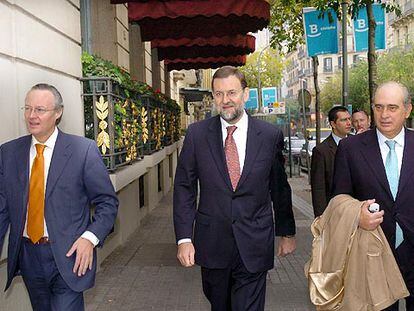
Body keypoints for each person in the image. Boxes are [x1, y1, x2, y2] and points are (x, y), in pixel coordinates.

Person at [173, 66, 296, 310]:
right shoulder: (197, 135)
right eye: (218, 94)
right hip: (213, 243)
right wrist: (184, 238)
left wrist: (287, 232)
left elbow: (279, 188)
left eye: (231, 93)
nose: (225, 100)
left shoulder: (269, 135)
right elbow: (184, 188)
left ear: (245, 94)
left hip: (255, 243)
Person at [0, 83, 118, 311]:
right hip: (28, 256)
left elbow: (108, 202)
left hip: (69, 256)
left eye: (40, 110)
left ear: (58, 113)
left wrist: (90, 237)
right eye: (27, 109)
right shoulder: (9, 153)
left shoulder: (83, 150)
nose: (31, 116)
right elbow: (2, 208)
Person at [332, 81, 414, 310]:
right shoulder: (351, 149)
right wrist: (357, 215)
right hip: (372, 253)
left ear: (407, 110)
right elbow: (338, 200)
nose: (384, 115)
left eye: (392, 108)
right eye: (378, 107)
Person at [310, 106, 351, 217]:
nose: (348, 123)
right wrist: (321, 218)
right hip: (334, 211)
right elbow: (318, 188)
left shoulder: (356, 143)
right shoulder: (321, 151)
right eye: (343, 120)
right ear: (333, 124)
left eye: (349, 119)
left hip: (355, 209)